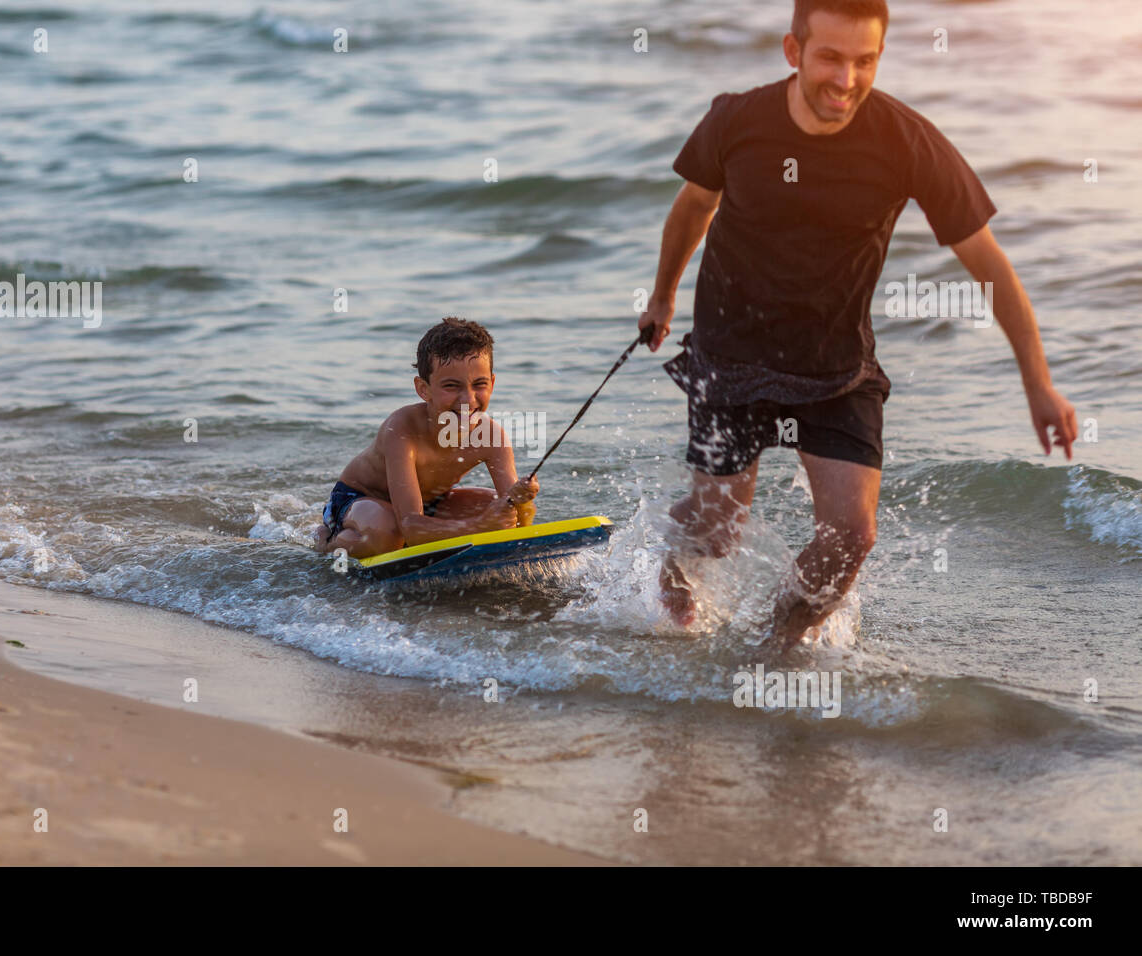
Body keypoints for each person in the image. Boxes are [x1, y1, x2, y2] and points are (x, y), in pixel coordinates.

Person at [638, 0, 1077, 647]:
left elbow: (989, 263)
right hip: (731, 350)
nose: (846, 80)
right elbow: (694, 206)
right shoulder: (737, 120)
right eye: (831, 59)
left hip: (835, 363)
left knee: (851, 538)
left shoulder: (905, 140)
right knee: (717, 530)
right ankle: (667, 555)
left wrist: (1038, 384)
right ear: (794, 52)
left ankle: (772, 650)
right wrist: (662, 298)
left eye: (864, 61)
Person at [314, 316, 539, 558]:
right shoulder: (401, 429)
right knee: (390, 534)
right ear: (424, 389)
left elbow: (520, 525)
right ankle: (327, 541)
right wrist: (478, 527)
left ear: (492, 384)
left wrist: (522, 500)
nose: (468, 399)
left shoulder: (491, 436)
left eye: (479, 384)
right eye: (451, 386)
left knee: (502, 512)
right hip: (359, 502)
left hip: (429, 504)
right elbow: (410, 526)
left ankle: (429, 533)